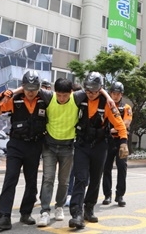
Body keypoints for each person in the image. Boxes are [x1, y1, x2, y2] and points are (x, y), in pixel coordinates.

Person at [0, 70, 50, 231]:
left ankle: (26, 213)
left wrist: (18, 89)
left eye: (34, 88)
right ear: (23, 86)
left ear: (39, 87)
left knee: (31, 182)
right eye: (27, 88)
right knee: (10, 179)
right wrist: (2, 96)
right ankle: (4, 217)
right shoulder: (15, 99)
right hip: (16, 144)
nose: (30, 92)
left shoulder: (45, 99)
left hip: (35, 146)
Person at [68, 72, 129, 229]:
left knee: (95, 179)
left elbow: (120, 123)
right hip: (82, 144)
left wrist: (123, 142)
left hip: (100, 145)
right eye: (88, 90)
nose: (91, 94)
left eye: (95, 91)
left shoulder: (107, 104)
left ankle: (89, 208)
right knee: (81, 178)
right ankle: (77, 213)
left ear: (100, 89)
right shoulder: (79, 98)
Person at [37, 78, 87, 227]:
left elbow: (95, 89)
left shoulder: (76, 97)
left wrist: (110, 98)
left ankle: (59, 207)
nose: (61, 98)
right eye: (59, 95)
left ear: (71, 93)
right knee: (48, 178)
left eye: (65, 95)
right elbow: (31, 87)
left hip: (68, 146)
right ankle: (45, 211)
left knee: (64, 181)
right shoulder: (49, 96)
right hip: (49, 146)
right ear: (55, 92)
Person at [102, 81, 132, 207]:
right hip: (108, 140)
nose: (115, 96)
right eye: (113, 93)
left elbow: (125, 124)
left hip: (121, 140)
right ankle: (107, 195)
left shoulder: (126, 108)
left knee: (122, 167)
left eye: (118, 94)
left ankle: (120, 195)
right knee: (106, 168)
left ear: (121, 94)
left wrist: (114, 129)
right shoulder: (106, 105)